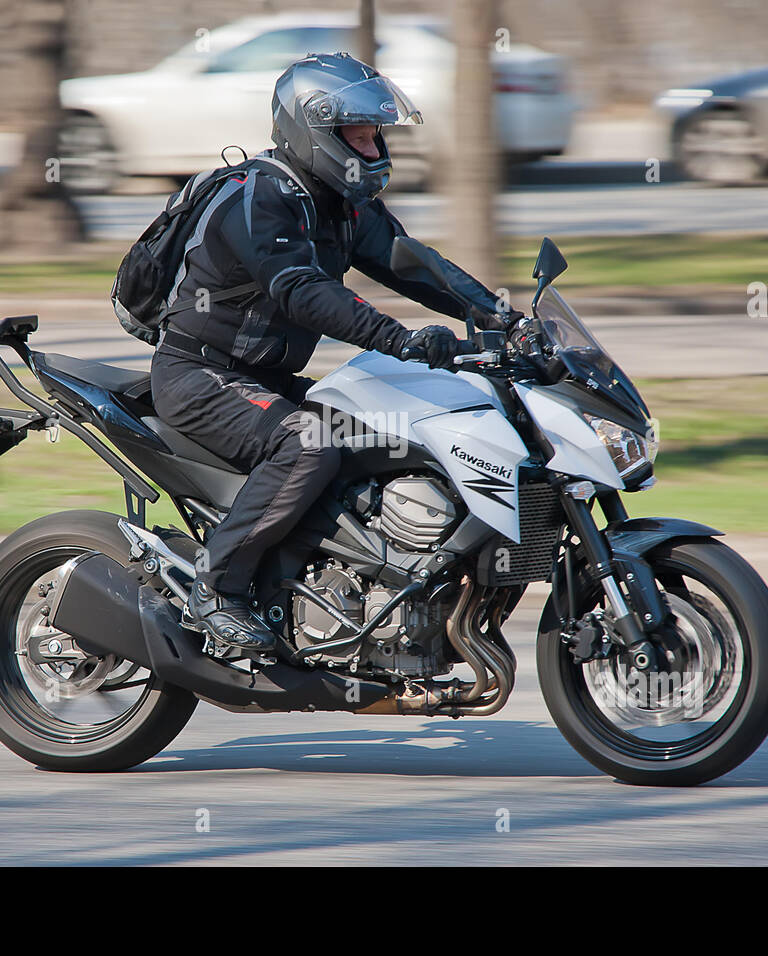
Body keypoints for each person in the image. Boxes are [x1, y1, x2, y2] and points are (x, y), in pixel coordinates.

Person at [150, 51, 512, 652]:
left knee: (380, 437)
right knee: (308, 445)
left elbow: (413, 265)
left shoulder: (345, 206)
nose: (373, 147)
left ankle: (324, 594)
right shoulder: (260, 196)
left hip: (264, 378)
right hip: (200, 375)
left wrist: (503, 319)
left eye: (376, 135)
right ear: (314, 131)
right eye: (359, 135)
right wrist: (400, 340)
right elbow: (300, 291)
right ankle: (216, 590)